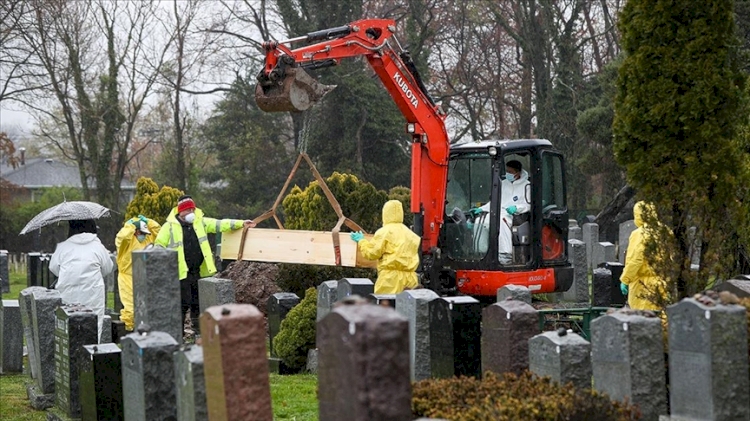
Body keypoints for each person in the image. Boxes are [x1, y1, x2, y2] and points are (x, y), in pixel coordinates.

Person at [155, 195, 255, 332]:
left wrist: (241, 223)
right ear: (180, 211)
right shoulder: (169, 227)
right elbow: (159, 246)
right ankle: (178, 334)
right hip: (180, 273)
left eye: (193, 209)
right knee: (181, 305)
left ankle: (198, 331)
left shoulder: (200, 222)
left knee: (198, 303)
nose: (191, 213)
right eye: (188, 210)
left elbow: (220, 224)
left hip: (198, 271)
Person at [49, 219, 115, 341]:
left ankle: (69, 357)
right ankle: (90, 356)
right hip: (93, 294)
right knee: (94, 326)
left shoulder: (63, 247)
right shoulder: (98, 246)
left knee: (68, 326)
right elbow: (108, 268)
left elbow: (53, 267)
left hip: (67, 293)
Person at [350, 200, 420, 294]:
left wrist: (361, 241)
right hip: (411, 279)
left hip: (390, 280)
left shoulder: (384, 232)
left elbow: (371, 253)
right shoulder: (411, 235)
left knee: (386, 306)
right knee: (407, 306)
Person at [472, 160, 530, 264]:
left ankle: (505, 254)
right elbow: (495, 202)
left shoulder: (526, 186)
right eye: (507, 171)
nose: (508, 174)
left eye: (510, 172)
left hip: (515, 215)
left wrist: (516, 207)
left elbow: (528, 205)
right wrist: (482, 209)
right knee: (481, 221)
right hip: (499, 211)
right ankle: (481, 252)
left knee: (500, 221)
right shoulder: (503, 184)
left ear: (518, 172)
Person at [115, 215, 161, 332]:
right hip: (127, 276)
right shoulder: (126, 243)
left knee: (147, 306)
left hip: (144, 276)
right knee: (130, 308)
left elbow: (159, 232)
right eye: (141, 232)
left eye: (145, 233)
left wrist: (149, 222)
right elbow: (122, 237)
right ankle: (128, 331)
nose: (144, 235)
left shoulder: (147, 238)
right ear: (135, 231)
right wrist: (130, 225)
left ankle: (144, 331)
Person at [620, 201, 667, 310]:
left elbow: (636, 259)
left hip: (642, 284)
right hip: (662, 282)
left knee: (642, 319)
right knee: (661, 317)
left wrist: (625, 279)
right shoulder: (664, 231)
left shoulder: (639, 234)